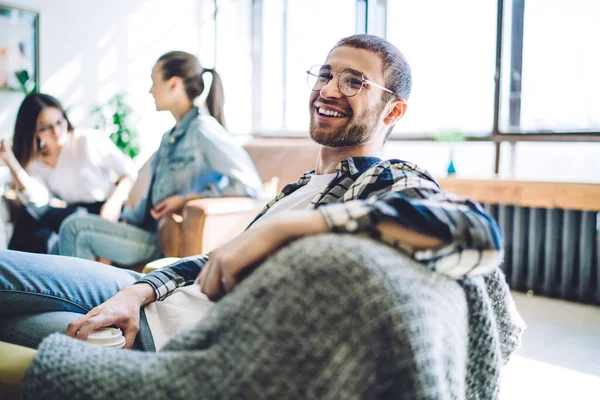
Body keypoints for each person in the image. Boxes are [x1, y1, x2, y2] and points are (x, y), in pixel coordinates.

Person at [0, 35, 523, 398]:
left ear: (394, 110)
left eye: (354, 82)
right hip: (148, 294)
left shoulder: (389, 180)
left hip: (173, 338)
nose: (328, 89)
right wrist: (138, 290)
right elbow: (213, 259)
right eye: (325, 74)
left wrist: (304, 226)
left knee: (12, 321)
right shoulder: (302, 187)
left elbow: (479, 233)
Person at [56, 51, 262, 267]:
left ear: (174, 84)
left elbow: (249, 185)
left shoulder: (203, 129)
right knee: (58, 242)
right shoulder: (170, 136)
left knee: (74, 229)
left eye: (154, 82)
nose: (150, 90)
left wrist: (186, 200)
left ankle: (80, 299)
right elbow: (153, 199)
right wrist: (128, 217)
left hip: (158, 238)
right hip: (142, 227)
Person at [0, 93, 137, 254]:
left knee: (29, 216)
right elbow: (36, 199)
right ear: (33, 131)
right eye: (46, 127)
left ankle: (6, 263)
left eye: (59, 122)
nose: (56, 131)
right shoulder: (37, 163)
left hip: (103, 212)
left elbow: (129, 171)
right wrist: (9, 160)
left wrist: (114, 203)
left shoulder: (87, 140)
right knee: (42, 237)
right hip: (71, 213)